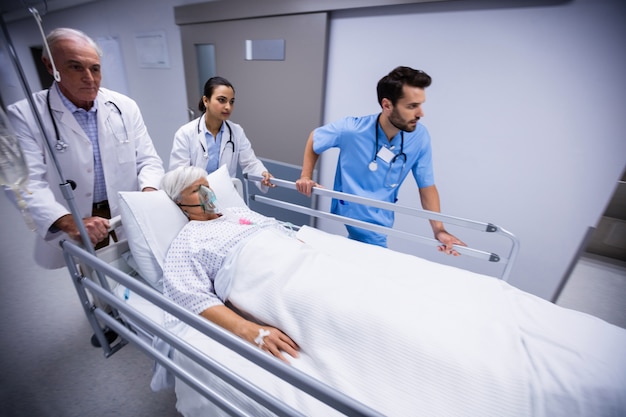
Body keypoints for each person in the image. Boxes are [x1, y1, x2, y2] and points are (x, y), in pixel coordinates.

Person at [4, 28, 164, 269]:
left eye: (95, 68)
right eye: (76, 67)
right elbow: (26, 184)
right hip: (75, 217)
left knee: (131, 268)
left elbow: (148, 160)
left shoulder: (124, 107)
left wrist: (150, 191)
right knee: (89, 276)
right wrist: (70, 222)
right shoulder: (25, 115)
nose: (89, 77)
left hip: (123, 212)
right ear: (51, 67)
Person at [296, 66, 465, 253]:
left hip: (381, 217)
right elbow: (315, 138)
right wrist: (305, 176)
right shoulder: (352, 130)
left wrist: (439, 230)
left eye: (421, 104)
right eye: (412, 106)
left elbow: (426, 186)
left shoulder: (420, 137)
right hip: (351, 211)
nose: (420, 113)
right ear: (387, 105)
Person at [161, 165, 299, 362]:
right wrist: (246, 328)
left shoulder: (235, 213)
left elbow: (278, 229)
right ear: (179, 202)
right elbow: (193, 297)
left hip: (295, 258)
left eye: (206, 186)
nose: (206, 193)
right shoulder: (188, 240)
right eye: (195, 190)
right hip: (269, 277)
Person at [169, 76, 274, 189]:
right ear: (206, 101)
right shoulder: (185, 133)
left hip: (225, 193)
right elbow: (178, 174)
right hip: (195, 196)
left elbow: (250, 162)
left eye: (231, 102)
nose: (228, 107)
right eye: (221, 100)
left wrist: (262, 174)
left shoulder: (236, 131)